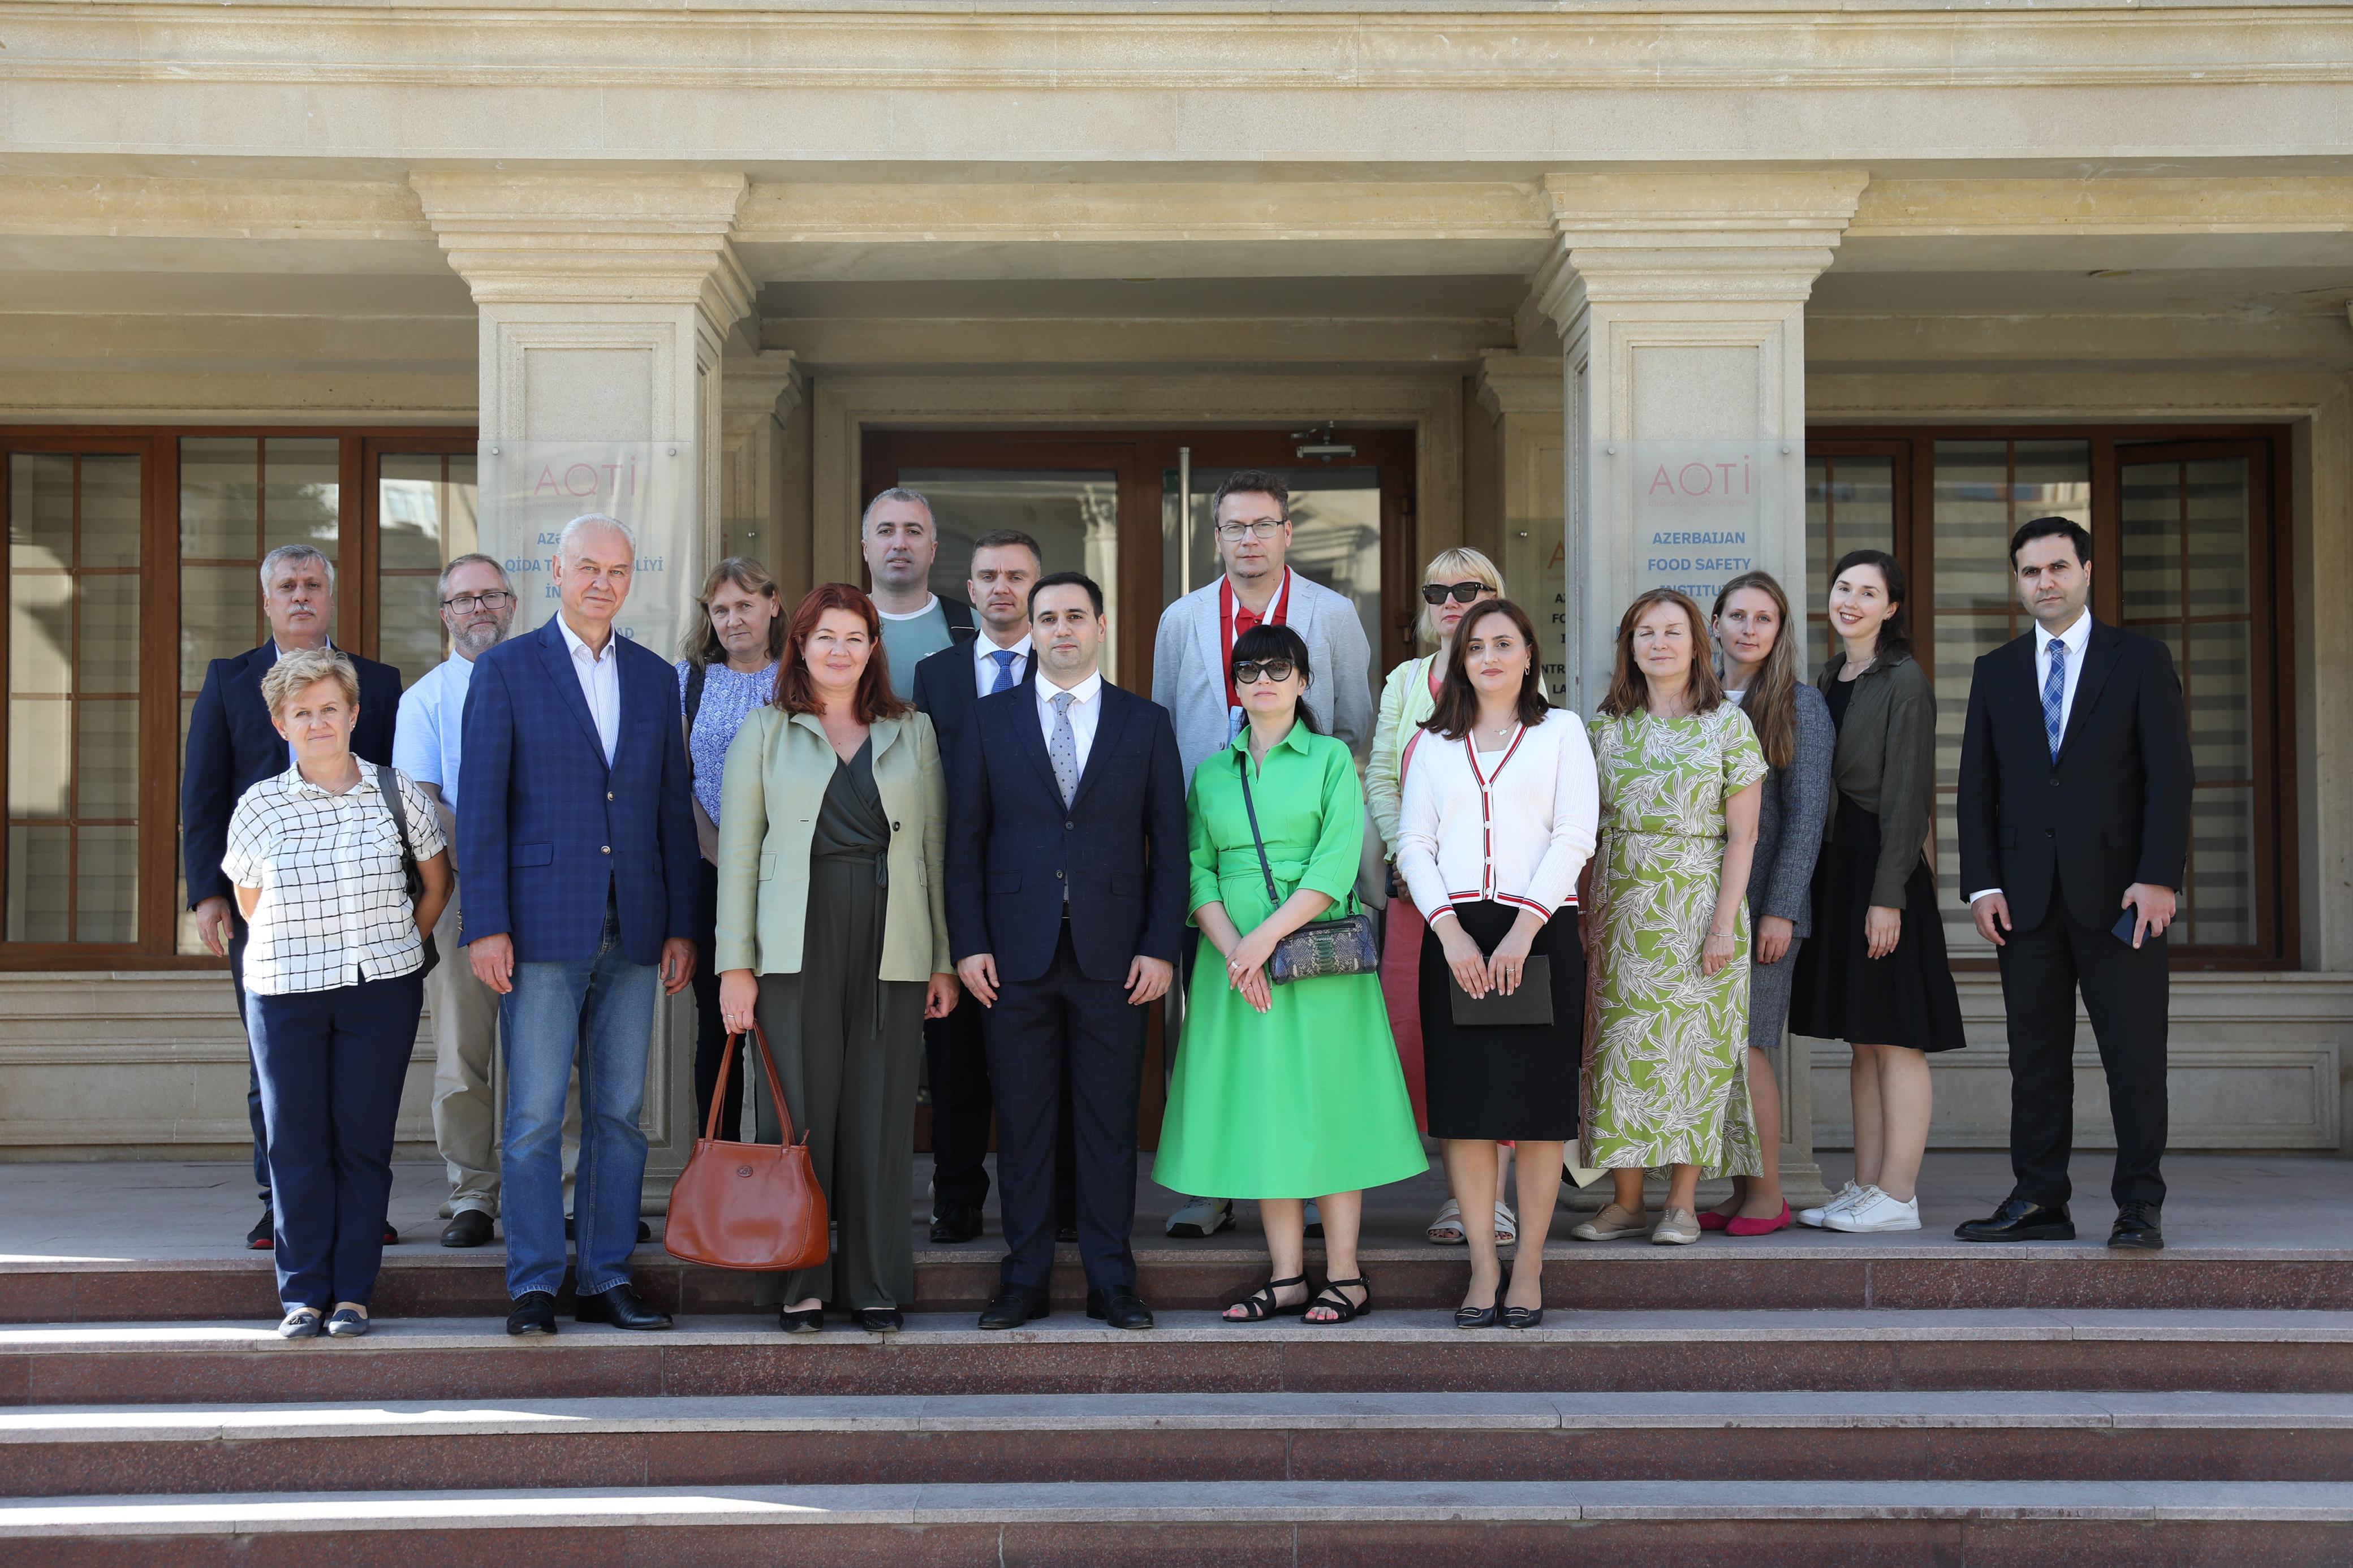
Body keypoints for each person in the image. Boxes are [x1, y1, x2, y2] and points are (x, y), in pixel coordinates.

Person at [458, 513, 699, 1338]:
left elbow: (671, 807)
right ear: (556, 573)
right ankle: (532, 1282)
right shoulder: (506, 670)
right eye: (588, 567)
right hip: (537, 929)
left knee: (620, 1115)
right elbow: (482, 811)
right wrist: (485, 924)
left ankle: (601, 1276)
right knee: (530, 1118)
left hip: (635, 927)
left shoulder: (654, 676)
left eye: (619, 570)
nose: (604, 581)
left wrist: (679, 925)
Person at [1152, 624, 1425, 1323]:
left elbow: (1334, 866)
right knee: (1264, 1112)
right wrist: (1232, 948)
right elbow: (1196, 869)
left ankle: (1344, 1273)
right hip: (1232, 967)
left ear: (1304, 681)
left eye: (1278, 668)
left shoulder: (1332, 758)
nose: (1262, 680)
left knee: (1326, 1110)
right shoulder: (1212, 772)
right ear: (1234, 687)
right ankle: (1283, 1276)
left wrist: (1260, 943)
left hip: (1315, 962)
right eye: (1248, 670)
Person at [714, 584, 959, 1334]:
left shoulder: (912, 730)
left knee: (883, 1113)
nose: (842, 651)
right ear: (801, 645)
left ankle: (878, 1280)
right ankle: (801, 1285)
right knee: (802, 1113)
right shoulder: (765, 729)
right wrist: (735, 965)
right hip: (793, 939)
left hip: (895, 934)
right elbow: (738, 857)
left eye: (857, 637)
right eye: (827, 636)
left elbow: (932, 850)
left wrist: (942, 960)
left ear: (874, 649)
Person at [951, 572, 1188, 1333]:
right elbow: (964, 844)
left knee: (1108, 1125)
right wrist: (968, 944)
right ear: (1032, 627)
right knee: (1020, 1124)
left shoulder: (1145, 722)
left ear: (1101, 625)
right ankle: (1021, 1280)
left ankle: (1111, 1280)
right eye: (1046, 617)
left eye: (1074, 617)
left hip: (1116, 959)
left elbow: (1172, 851)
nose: (1060, 629)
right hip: (1011, 958)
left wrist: (1160, 949)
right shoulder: (989, 721)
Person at [1955, 516, 2191, 1251]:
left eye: (2058, 567)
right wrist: (1981, 886)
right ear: (2017, 581)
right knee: (2036, 1061)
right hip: (2025, 903)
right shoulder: (1994, 670)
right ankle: (2039, 1200)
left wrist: (2158, 876)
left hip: (2123, 897)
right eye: (2031, 572)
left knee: (2134, 1058)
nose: (2045, 583)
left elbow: (2170, 777)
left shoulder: (2141, 661)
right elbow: (1975, 789)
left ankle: (2139, 1205)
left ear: (2087, 570)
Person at [1150, 469, 1374, 1239]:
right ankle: (1215, 1185)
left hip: (1303, 856)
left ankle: (1310, 1178)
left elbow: (1356, 719)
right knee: (1212, 1034)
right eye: (1234, 527)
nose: (1249, 539)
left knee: (1305, 1039)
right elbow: (1165, 732)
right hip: (1210, 858)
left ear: (1286, 533)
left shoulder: (1332, 613)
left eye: (1263, 525)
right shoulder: (1181, 619)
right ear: (1215, 537)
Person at [223, 648, 450, 1338]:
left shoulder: (398, 792)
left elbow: (436, 886)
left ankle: (351, 1293)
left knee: (360, 1142)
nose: (318, 722)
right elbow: (248, 901)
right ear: (280, 723)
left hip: (378, 992)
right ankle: (302, 1296)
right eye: (303, 713)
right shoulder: (259, 805)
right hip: (285, 994)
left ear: (353, 713)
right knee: (295, 1143)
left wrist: (393, 951)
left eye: (330, 709)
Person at [182, 543, 402, 1250]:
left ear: (330, 599)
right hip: (263, 909)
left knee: (357, 1078)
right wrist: (206, 895)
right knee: (272, 1066)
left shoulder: (380, 682)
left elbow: (399, 794)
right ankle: (277, 1202)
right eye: (288, 586)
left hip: (365, 911)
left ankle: (360, 1207)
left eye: (312, 584)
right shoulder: (228, 681)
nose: (301, 595)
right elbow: (204, 794)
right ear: (267, 601)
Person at [1396, 599, 1596, 1329]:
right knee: (1468, 1114)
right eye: (1474, 646)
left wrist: (1522, 930)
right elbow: (1413, 844)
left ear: (1527, 654)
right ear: (1457, 661)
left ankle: (1530, 1265)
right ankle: (1483, 1264)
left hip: (1537, 928)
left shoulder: (1562, 732)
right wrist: (1447, 931)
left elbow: (1576, 833)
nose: (1487, 656)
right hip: (1452, 935)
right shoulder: (1431, 744)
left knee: (1538, 1114)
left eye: (1502, 643)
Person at [396, 554, 585, 1250]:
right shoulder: (425, 699)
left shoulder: (552, 681)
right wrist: (492, 853)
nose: (479, 609)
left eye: (492, 597)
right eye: (464, 599)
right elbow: (422, 801)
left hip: (545, 892)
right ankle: (472, 1191)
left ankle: (563, 1192)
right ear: (445, 614)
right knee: (462, 1053)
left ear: (513, 605)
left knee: (554, 1049)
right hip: (458, 893)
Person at [1575, 590, 1766, 1249]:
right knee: (1619, 1053)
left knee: (1693, 1053)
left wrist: (1721, 925)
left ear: (1697, 644)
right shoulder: (1601, 728)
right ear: (1628, 645)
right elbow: (1582, 831)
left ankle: (1680, 1202)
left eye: (1672, 631)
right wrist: (1581, 910)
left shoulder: (1727, 725)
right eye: (1644, 632)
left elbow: (1742, 837)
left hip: (1697, 904)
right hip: (1619, 905)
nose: (1658, 642)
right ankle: (1625, 1200)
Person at [1784, 550, 1966, 1234]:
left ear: (1891, 607)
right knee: (1860, 1039)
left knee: (1894, 1037)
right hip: (1838, 864)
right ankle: (1864, 1186)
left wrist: (1887, 894)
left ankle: (1898, 1193)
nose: (1850, 600)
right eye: (1841, 588)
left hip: (1881, 867)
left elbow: (1908, 797)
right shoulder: (1831, 674)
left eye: (1868, 591)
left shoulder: (1905, 682)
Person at [912, 530, 1076, 1246]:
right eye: (988, 576)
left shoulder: (1068, 668)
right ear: (969, 591)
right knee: (955, 1057)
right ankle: (957, 1199)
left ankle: (1057, 1206)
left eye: (1017, 576)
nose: (1001, 587)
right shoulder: (935, 674)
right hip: (960, 885)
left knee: (1049, 1063)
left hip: (1050, 895)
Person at [1369, 546, 1520, 1249]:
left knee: (1497, 1035)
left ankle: (1488, 1204)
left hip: (1497, 895)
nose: (1451, 601)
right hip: (1416, 894)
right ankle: (1457, 1190)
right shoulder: (1405, 681)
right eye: (1437, 591)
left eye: (1468, 588)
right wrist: (1404, 857)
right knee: (1421, 1039)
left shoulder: (1514, 676)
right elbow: (1379, 776)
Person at [1700, 572, 1834, 1237]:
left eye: (1765, 618)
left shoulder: (1798, 705)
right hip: (1696, 904)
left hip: (1765, 910)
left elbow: (1807, 816)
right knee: (1714, 1050)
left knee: (1750, 1046)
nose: (1750, 629)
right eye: (1738, 616)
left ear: (1780, 631)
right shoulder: (1694, 700)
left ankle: (1769, 1194)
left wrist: (1782, 909)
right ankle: (1738, 1186)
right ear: (1715, 622)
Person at [678, 557, 785, 1146]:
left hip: (791, 879)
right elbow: (678, 780)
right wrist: (718, 850)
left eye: (744, 604)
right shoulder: (689, 680)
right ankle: (717, 1172)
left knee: (785, 1029)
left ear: (772, 603)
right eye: (720, 609)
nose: (732, 619)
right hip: (709, 873)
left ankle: (786, 1178)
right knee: (718, 1030)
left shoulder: (803, 677)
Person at [861, 487, 977, 699]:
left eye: (913, 532)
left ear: (933, 550)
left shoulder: (973, 627)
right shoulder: (835, 629)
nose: (899, 544)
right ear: (865, 549)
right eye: (886, 531)